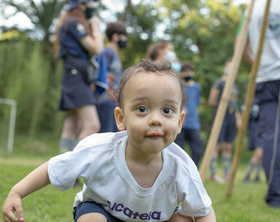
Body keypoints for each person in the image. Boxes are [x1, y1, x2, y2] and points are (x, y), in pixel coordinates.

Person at [2, 60, 216, 222]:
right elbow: (53, 169)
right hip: (103, 212)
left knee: (184, 219)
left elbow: (204, 210)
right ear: (121, 119)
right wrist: (17, 192)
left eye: (167, 110)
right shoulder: (98, 150)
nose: (155, 120)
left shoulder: (182, 167)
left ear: (180, 122)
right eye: (142, 109)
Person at [238, 0, 280, 208]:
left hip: (265, 79)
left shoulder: (252, 7)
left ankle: (275, 195)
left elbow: (242, 49)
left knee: (271, 136)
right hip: (270, 78)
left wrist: (261, 63)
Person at [53, 0, 103, 153]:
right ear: (81, 5)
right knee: (92, 125)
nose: (92, 6)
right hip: (76, 78)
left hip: (72, 77)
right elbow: (96, 48)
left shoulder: (67, 23)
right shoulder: (74, 23)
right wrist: (96, 27)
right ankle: (70, 166)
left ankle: (64, 170)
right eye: (90, 3)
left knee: (71, 126)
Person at [208, 58, 242, 183]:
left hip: (231, 117)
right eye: (229, 66)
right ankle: (213, 174)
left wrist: (238, 118)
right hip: (221, 116)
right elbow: (212, 101)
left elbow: (235, 104)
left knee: (228, 146)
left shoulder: (234, 85)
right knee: (216, 145)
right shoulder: (219, 83)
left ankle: (227, 174)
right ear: (225, 67)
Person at [97, 22, 127, 133]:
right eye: (123, 36)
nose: (125, 40)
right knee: (106, 133)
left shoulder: (115, 54)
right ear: (115, 36)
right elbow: (101, 75)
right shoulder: (107, 53)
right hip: (105, 100)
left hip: (113, 101)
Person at [174, 62, 204, 166]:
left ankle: (193, 169)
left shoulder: (197, 87)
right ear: (181, 73)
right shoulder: (178, 86)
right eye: (185, 71)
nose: (188, 74)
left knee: (198, 148)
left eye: (190, 71)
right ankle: (180, 169)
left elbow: (197, 103)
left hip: (193, 123)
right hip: (180, 123)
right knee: (179, 149)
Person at [243, 101, 263, 183]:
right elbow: (243, 112)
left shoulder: (262, 98)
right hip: (254, 128)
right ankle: (247, 175)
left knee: (260, 154)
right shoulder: (250, 99)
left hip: (262, 127)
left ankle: (257, 176)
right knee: (259, 153)